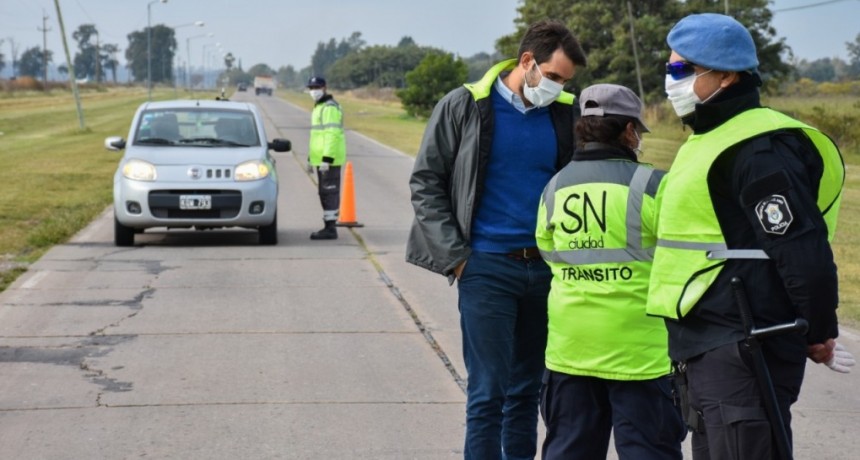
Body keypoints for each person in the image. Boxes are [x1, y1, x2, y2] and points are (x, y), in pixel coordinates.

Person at [646, 13, 853, 459]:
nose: (670, 80)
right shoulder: (708, 140)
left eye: (681, 69)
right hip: (707, 342)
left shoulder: (759, 149)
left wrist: (818, 329)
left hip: (744, 343)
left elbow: (801, 249)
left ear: (726, 75)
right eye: (669, 68)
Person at [406, 19, 587, 459]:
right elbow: (426, 182)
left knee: (527, 392)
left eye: (568, 81)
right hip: (486, 267)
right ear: (528, 62)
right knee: (488, 394)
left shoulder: (564, 113)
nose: (561, 88)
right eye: (556, 76)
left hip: (545, 271)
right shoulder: (465, 106)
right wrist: (458, 258)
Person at [536, 83, 685, 459]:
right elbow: (681, 260)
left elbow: (549, 254)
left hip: (571, 350)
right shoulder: (654, 186)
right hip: (641, 355)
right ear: (628, 131)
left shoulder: (554, 188)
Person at [305, 76, 346, 240]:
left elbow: (332, 134)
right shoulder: (319, 107)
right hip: (320, 159)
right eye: (311, 88)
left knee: (329, 192)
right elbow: (317, 137)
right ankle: (328, 225)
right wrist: (310, 158)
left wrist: (327, 158)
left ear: (324, 87)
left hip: (329, 159)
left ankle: (331, 228)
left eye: (316, 87)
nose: (313, 91)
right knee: (324, 192)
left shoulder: (329, 108)